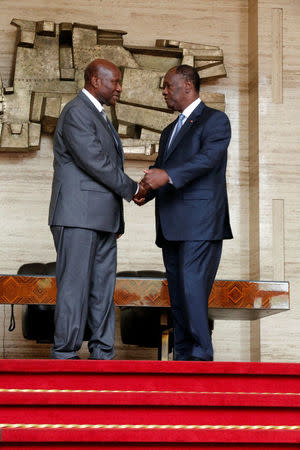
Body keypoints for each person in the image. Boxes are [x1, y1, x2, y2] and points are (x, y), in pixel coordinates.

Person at [48, 58, 146, 360]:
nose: (119, 88)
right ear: (95, 82)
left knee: (103, 290)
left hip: (102, 220)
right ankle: (65, 354)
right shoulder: (77, 112)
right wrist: (134, 189)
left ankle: (102, 353)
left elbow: (105, 166)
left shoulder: (98, 115)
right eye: (114, 81)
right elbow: (96, 162)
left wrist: (117, 220)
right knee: (74, 288)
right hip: (78, 216)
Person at [136, 65, 233, 361]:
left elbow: (207, 160)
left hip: (201, 224)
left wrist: (165, 176)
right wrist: (145, 190)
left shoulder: (215, 121)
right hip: (171, 226)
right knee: (178, 296)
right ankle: (184, 358)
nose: (164, 92)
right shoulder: (169, 131)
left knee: (193, 290)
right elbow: (162, 168)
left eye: (168, 86)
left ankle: (201, 358)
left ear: (187, 85)